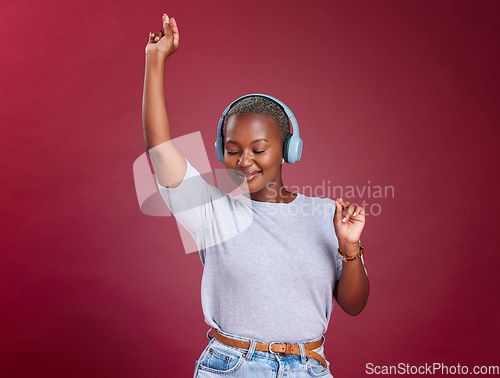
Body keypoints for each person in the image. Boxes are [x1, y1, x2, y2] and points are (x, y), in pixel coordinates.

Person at [142, 12, 370, 378]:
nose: (244, 160)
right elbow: (160, 149)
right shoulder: (212, 212)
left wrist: (349, 248)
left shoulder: (326, 213)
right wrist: (155, 61)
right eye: (232, 149)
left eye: (259, 148)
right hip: (233, 368)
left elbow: (354, 305)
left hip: (309, 368)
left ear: (288, 149)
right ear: (221, 151)